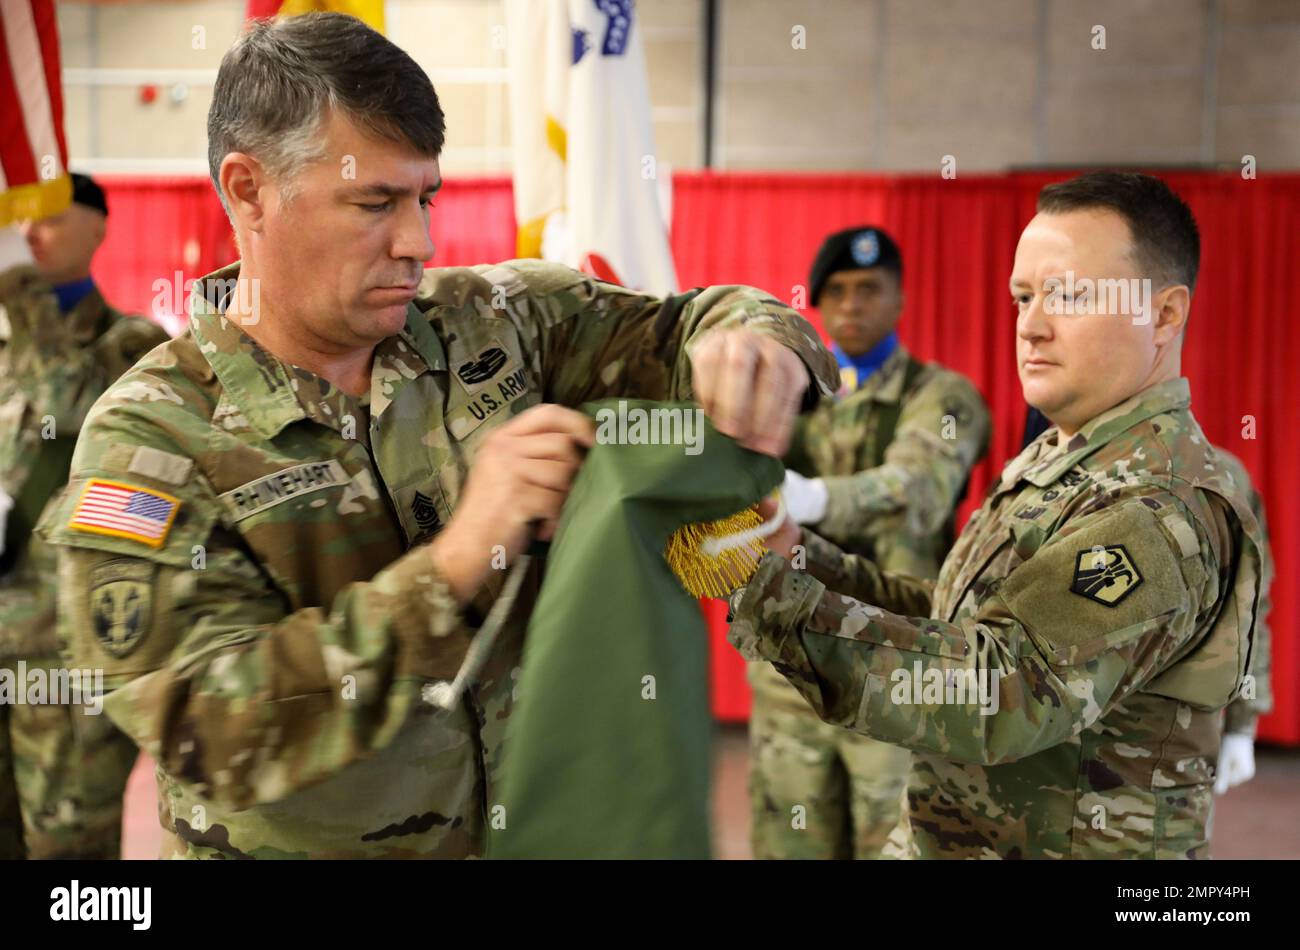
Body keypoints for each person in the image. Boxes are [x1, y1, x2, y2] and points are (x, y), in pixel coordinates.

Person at [40, 13, 838, 859]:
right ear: (248, 190)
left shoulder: (499, 322)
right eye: (374, 202)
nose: (419, 243)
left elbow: (701, 321)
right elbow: (211, 729)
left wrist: (760, 348)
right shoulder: (150, 437)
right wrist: (456, 564)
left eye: (426, 197)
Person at [729, 171, 1266, 859]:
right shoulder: (1063, 457)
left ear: (1163, 315)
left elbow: (1000, 689)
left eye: (1070, 295)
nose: (1032, 325)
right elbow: (955, 619)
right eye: (1023, 296)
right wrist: (793, 552)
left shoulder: (1159, 505)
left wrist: (771, 597)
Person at [751, 225, 989, 859]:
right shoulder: (790, 393)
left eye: (869, 289)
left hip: (895, 669)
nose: (852, 304)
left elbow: (919, 486)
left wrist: (815, 500)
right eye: (837, 291)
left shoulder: (942, 396)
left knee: (895, 844)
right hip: (790, 668)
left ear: (901, 300)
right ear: (819, 303)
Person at [0, 173, 170, 858]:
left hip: (67, 654)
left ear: (100, 228)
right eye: (19, 219)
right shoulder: (8, 354)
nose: (30, 230)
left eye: (48, 216)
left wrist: (18, 284)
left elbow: (66, 387)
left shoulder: (130, 346)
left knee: (68, 854)